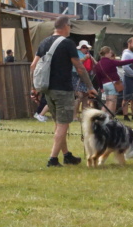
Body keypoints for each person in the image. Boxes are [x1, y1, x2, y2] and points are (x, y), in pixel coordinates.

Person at [30, 16, 97, 167]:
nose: (70, 29)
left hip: (47, 89)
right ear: (66, 26)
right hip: (63, 89)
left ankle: (67, 155)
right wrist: (90, 87)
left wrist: (33, 88)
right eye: (70, 26)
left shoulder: (44, 42)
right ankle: (53, 159)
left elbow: (33, 66)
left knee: (59, 123)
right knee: (63, 124)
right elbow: (79, 67)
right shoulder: (67, 43)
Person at [92, 46, 133, 118]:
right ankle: (110, 117)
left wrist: (101, 87)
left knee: (107, 102)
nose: (111, 54)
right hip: (112, 84)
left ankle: (101, 116)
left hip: (104, 85)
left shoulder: (98, 64)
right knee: (112, 101)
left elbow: (98, 77)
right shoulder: (110, 62)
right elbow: (122, 62)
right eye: (110, 53)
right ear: (107, 53)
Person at [73, 40, 95, 121]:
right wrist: (85, 58)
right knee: (79, 96)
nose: (85, 49)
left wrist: (91, 59)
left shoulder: (88, 55)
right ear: (80, 48)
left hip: (85, 76)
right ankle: (74, 116)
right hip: (76, 75)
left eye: (86, 47)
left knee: (85, 96)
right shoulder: (76, 53)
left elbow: (94, 63)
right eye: (83, 47)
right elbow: (76, 62)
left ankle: (84, 116)